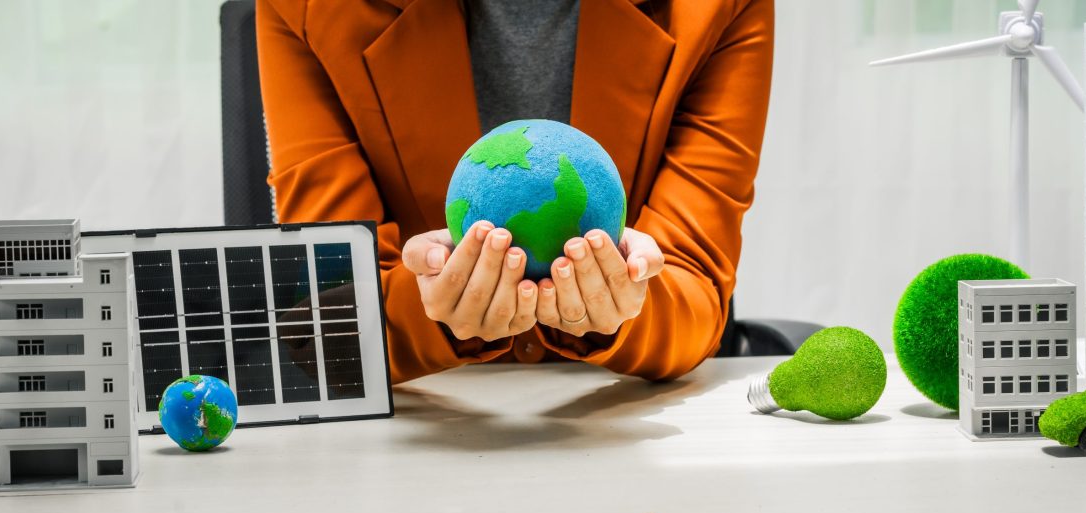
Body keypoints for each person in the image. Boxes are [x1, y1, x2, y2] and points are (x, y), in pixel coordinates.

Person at [256, 0, 774, 384]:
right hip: (425, 424)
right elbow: (326, 323)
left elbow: (695, 286)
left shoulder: (717, 8)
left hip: (620, 408)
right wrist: (431, 310)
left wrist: (623, 303)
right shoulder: (306, 8)